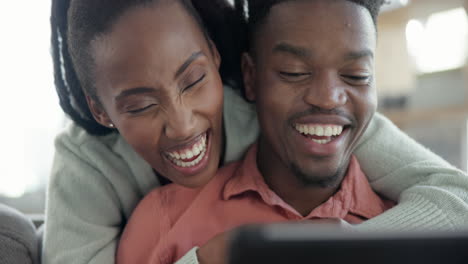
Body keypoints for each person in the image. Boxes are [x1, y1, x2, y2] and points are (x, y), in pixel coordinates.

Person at [44, 0, 468, 264]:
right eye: (140, 106)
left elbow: (456, 196)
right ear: (101, 111)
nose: (184, 124)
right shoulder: (88, 163)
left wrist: (339, 246)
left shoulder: (281, 105)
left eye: (194, 81)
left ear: (215, 59)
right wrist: (213, 255)